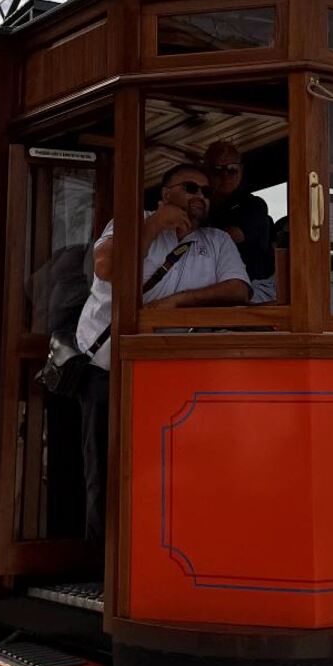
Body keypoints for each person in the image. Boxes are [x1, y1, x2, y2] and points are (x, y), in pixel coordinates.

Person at [74, 162, 251, 541]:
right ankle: (105, 565)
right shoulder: (129, 223)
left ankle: (163, 552)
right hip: (111, 366)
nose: (200, 196)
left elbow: (239, 289)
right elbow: (106, 267)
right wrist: (156, 223)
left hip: (178, 372)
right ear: (165, 192)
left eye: (205, 191)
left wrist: (179, 301)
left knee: (173, 467)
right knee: (107, 466)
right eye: (190, 188)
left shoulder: (216, 241)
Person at [203, 140, 276, 303]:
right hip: (212, 290)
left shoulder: (253, 205)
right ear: (205, 171)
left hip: (252, 292)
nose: (225, 176)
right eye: (217, 170)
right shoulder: (202, 206)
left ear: (241, 171)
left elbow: (228, 237)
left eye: (232, 170)